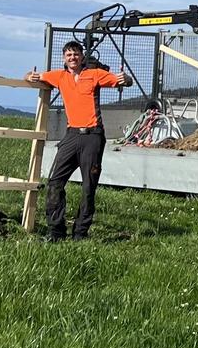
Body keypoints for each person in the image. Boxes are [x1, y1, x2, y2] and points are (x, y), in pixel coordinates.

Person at [26, 41, 130, 241]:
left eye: (75, 54)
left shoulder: (95, 74)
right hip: (71, 135)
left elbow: (123, 81)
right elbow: (34, 76)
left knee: (88, 187)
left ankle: (80, 234)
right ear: (64, 59)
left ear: (82, 57)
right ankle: (56, 233)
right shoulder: (59, 76)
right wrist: (28, 76)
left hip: (93, 136)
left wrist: (125, 79)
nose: (72, 58)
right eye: (68, 55)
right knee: (55, 182)